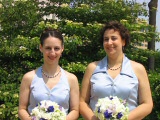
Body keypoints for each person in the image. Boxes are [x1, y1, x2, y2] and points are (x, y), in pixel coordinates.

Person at [79, 21, 153, 120]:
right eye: (106, 39)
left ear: (123, 41)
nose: (109, 43)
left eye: (114, 38)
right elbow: (82, 102)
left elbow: (147, 104)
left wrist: (124, 118)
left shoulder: (138, 69)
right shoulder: (92, 68)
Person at [18, 28, 79, 120]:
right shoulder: (29, 78)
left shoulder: (71, 79)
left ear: (62, 48)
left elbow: (75, 110)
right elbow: (22, 109)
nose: (52, 53)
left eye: (56, 48)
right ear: (41, 48)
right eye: (48, 48)